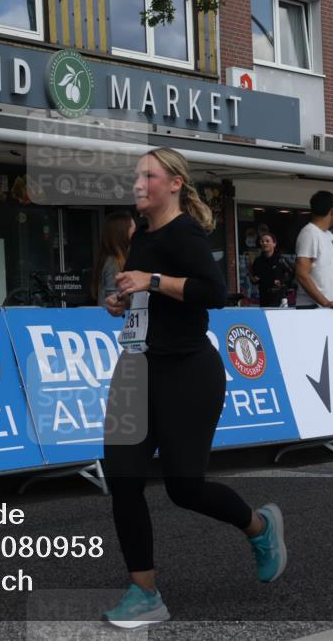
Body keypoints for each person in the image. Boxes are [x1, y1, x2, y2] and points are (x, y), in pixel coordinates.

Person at [101, 148, 287, 628]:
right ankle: (144, 593)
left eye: (149, 175)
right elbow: (148, 292)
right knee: (122, 478)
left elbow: (213, 293)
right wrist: (125, 300)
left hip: (186, 371)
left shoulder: (185, 232)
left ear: (176, 183)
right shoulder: (141, 233)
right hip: (137, 368)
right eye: (136, 175)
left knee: (185, 486)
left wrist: (153, 280)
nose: (138, 183)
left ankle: (260, 526)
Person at [92, 211, 136, 305]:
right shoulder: (113, 262)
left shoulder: (115, 259)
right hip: (115, 317)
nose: (136, 233)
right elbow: (113, 300)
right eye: (133, 229)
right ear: (122, 232)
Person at [250, 232, 294, 307]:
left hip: (279, 298)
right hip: (263, 297)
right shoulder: (258, 261)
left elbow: (292, 275)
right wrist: (254, 279)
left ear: (274, 243)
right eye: (262, 241)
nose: (264, 243)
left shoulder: (281, 260)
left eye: (267, 241)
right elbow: (253, 279)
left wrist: (282, 282)